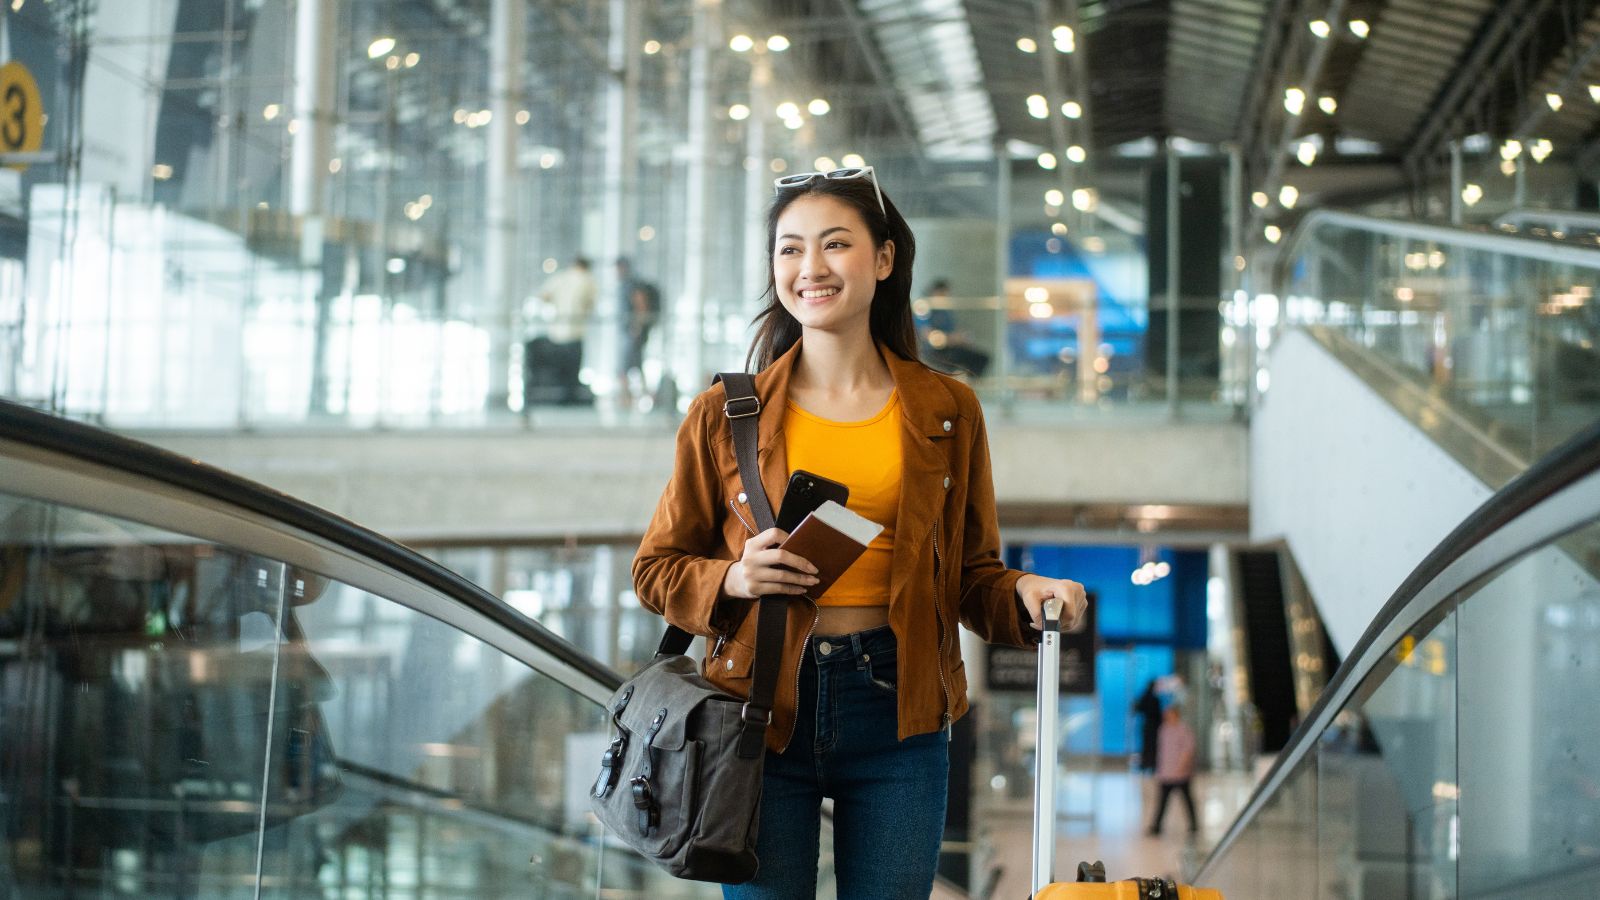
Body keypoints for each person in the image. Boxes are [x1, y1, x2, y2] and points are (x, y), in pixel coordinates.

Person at [631, 164, 1090, 898]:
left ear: (883, 259)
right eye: (789, 248)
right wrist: (734, 578)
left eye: (835, 244)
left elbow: (972, 575)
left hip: (900, 708)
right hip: (758, 707)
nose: (809, 267)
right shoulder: (724, 413)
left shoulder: (947, 409)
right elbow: (656, 569)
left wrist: (1029, 591)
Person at [524, 256, 597, 406]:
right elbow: (591, 304)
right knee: (571, 376)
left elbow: (543, 296)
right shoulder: (588, 280)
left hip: (557, 333)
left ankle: (558, 403)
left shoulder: (560, 278)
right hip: (575, 333)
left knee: (559, 373)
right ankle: (568, 404)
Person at [913, 278, 991, 378]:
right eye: (942, 294)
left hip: (949, 348)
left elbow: (952, 331)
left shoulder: (945, 311)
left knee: (981, 359)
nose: (945, 298)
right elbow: (929, 337)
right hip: (932, 352)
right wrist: (953, 339)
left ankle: (968, 386)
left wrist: (961, 339)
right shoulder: (923, 308)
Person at [615, 257, 661, 410]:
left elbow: (640, 305)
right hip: (632, 331)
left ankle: (628, 398)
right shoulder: (627, 284)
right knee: (636, 366)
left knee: (624, 366)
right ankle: (644, 396)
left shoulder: (632, 284)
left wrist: (637, 327)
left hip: (633, 331)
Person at [1147, 703, 1198, 836]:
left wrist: (1181, 766)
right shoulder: (1163, 730)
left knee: (1187, 800)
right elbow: (1162, 752)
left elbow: (1188, 750)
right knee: (1162, 801)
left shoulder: (1184, 730)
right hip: (1166, 773)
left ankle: (1194, 825)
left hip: (1181, 773)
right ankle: (1157, 826)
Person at [1133, 680, 1162, 775]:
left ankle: (1147, 765)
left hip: (1148, 725)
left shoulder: (1145, 696)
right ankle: (1149, 765)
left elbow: (1138, 708)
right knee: (1151, 746)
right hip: (1152, 726)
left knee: (1148, 746)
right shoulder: (1153, 698)